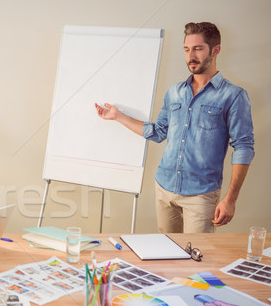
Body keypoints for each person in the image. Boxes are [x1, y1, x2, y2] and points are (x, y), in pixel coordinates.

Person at [95, 22, 254, 233]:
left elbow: (243, 147)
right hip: (164, 188)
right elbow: (159, 131)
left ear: (215, 50)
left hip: (200, 195)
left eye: (198, 48)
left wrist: (230, 199)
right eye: (187, 49)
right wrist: (118, 116)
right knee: (167, 255)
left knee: (195, 260)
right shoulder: (175, 93)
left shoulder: (233, 96)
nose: (191, 56)